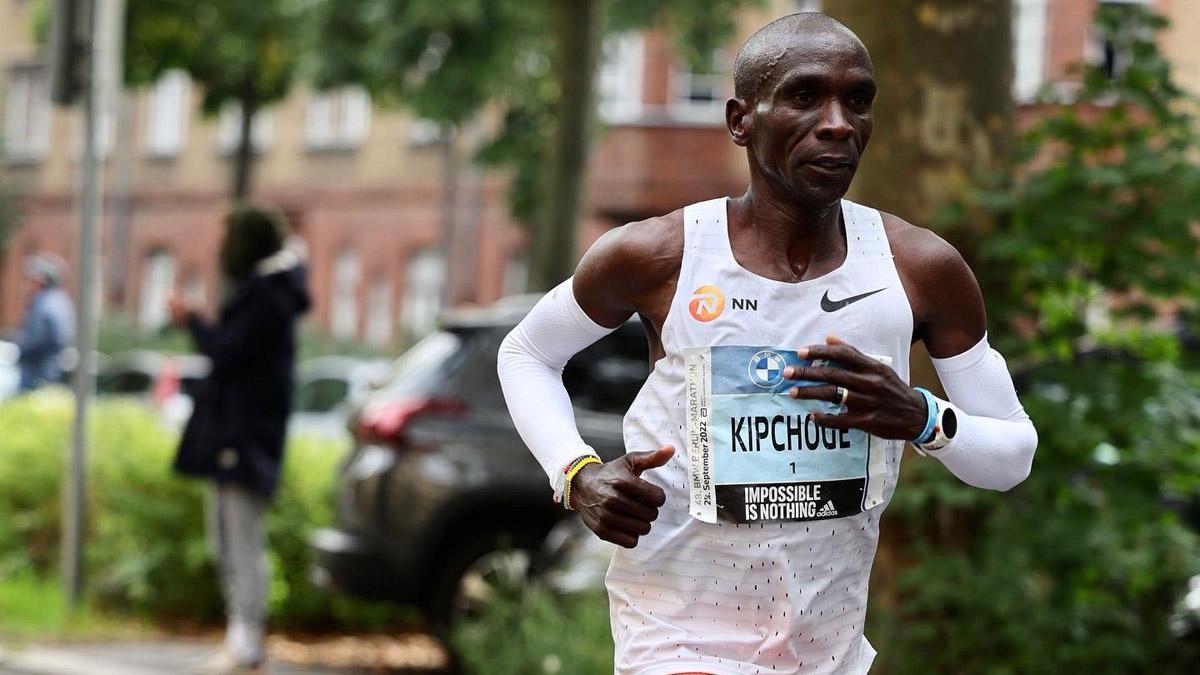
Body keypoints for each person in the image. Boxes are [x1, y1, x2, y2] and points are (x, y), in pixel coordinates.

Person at [497, 12, 1037, 675]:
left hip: (827, 649)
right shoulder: (660, 254)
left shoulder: (920, 268)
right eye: (806, 96)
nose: (838, 122)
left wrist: (922, 417)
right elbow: (526, 353)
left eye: (858, 100)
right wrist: (576, 473)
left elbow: (1012, 455)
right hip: (676, 636)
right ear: (740, 120)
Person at [170, 205, 310, 673]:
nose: (219, 247)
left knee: (240, 539)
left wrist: (192, 322)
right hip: (238, 433)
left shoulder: (268, 296)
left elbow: (228, 353)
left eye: (226, 236)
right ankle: (240, 635)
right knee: (225, 538)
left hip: (246, 436)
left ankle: (247, 641)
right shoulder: (267, 291)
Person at [15, 253, 75, 393]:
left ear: (41, 280)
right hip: (51, 372)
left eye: (30, 280)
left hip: (36, 374)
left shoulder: (43, 304)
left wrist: (20, 345)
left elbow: (34, 340)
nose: (27, 285)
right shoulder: (62, 300)